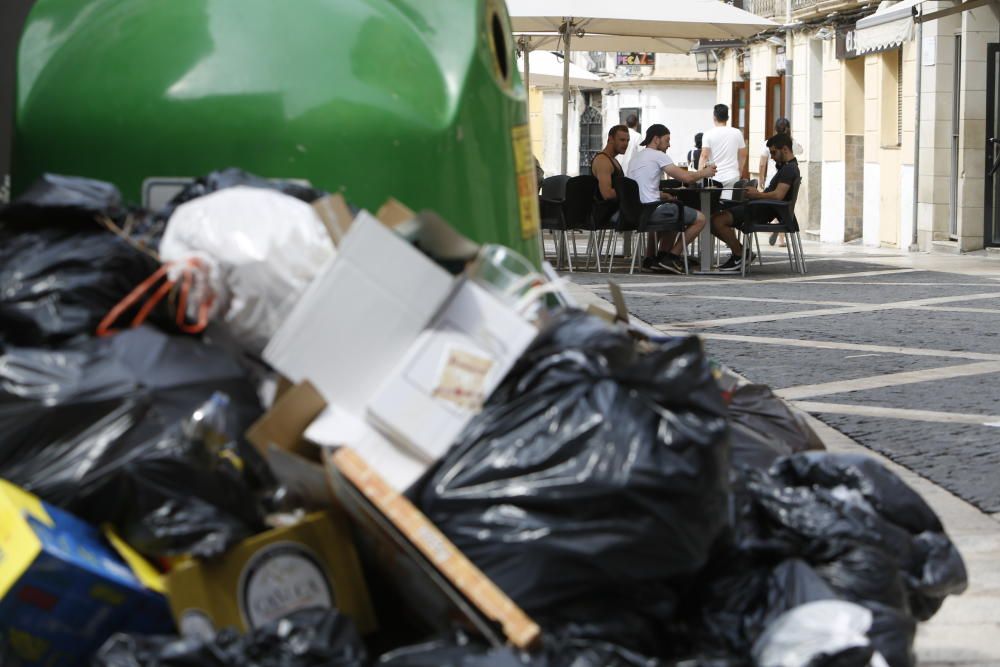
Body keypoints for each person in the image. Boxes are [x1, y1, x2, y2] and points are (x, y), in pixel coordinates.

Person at [627, 123, 717, 274]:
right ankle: (672, 256)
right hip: (650, 211)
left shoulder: (637, 157)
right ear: (656, 139)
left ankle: (653, 259)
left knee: (672, 209)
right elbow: (687, 177)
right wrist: (704, 173)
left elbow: (641, 187)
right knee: (700, 219)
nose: (669, 144)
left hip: (637, 210)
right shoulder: (658, 155)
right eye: (667, 140)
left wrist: (662, 195)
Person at [710, 133, 799, 272]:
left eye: (774, 153)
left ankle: (740, 254)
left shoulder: (789, 169)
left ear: (785, 149)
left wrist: (757, 195)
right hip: (761, 207)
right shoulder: (787, 167)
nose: (773, 157)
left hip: (761, 210)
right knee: (713, 218)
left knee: (716, 221)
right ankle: (741, 253)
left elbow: (778, 195)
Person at [757, 117, 803, 246]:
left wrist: (761, 178)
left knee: (776, 202)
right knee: (780, 205)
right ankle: (781, 238)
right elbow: (801, 150)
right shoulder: (790, 143)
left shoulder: (768, 143)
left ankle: (776, 228)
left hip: (774, 177)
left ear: (775, 128)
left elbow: (762, 163)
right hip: (782, 178)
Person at [699, 104, 747, 199]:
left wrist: (699, 175)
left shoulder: (708, 134)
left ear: (714, 117)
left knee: (712, 206)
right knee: (728, 206)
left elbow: (704, 156)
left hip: (714, 177)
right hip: (732, 175)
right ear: (728, 117)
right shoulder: (737, 132)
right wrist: (740, 170)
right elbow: (743, 154)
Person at [591, 124, 629, 226]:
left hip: (616, 209)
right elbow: (607, 194)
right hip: (605, 214)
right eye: (622, 140)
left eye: (627, 140)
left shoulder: (614, 160)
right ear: (611, 139)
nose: (625, 144)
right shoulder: (603, 161)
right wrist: (630, 193)